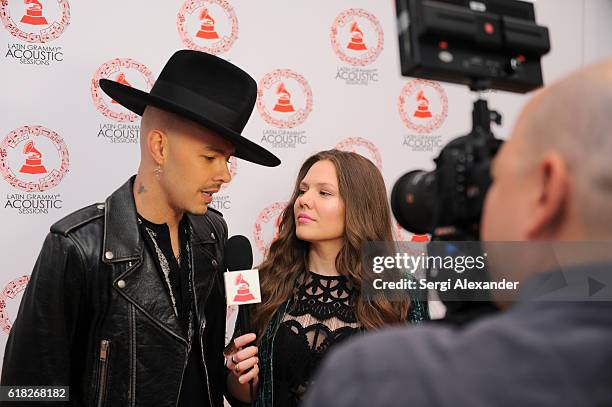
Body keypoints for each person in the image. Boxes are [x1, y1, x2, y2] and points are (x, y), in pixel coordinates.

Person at [304, 60, 612, 406]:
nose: (304, 202)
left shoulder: (377, 376)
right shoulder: (275, 281)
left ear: (547, 191)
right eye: (303, 190)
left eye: (498, 177)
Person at [1, 50, 279, 406]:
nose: (224, 174)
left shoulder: (213, 235)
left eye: (227, 159)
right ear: (159, 147)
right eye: (210, 157)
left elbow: (200, 365)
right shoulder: (77, 246)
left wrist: (235, 381)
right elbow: (28, 390)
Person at [225, 149, 429, 406]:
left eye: (324, 193)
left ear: (358, 207)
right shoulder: (264, 283)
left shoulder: (401, 290)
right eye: (302, 190)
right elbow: (244, 398)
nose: (304, 201)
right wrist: (240, 377)